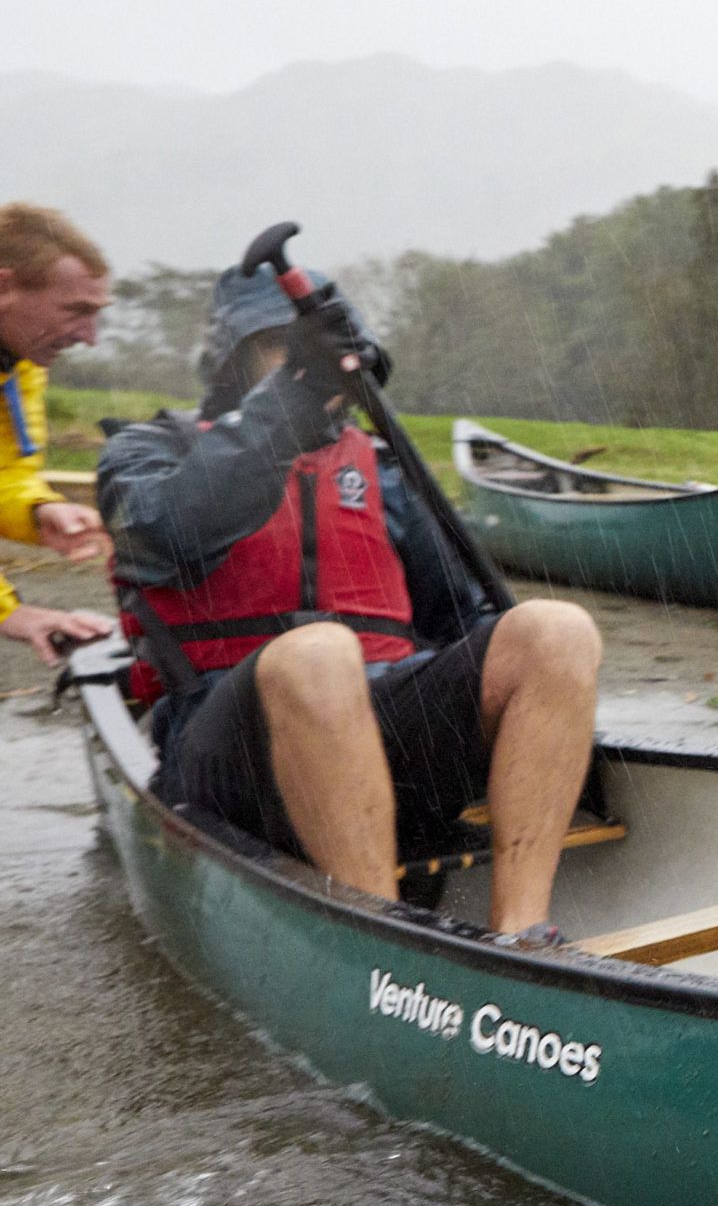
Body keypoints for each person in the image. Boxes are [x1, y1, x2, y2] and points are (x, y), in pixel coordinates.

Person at [97, 263, 601, 940]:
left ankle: (525, 930)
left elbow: (467, 623)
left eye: (325, 353)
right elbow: (165, 531)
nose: (313, 367)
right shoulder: (146, 452)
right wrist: (288, 406)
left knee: (555, 630)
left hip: (378, 722)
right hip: (229, 753)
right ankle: (380, 936)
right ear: (236, 355)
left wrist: (547, 717)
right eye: (284, 347)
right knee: (319, 653)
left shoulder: (383, 470)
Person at [0, 204, 118, 662]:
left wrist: (39, 510)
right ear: (5, 287)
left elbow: (7, 468)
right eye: (75, 311)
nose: (89, 336)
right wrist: (11, 613)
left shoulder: (19, 361)